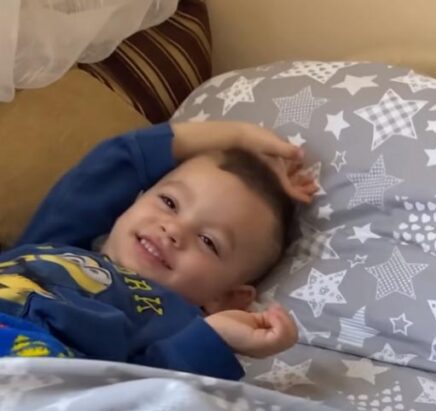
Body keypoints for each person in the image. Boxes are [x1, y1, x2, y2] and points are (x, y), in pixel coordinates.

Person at [0, 121, 319, 379]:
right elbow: (116, 161)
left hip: (37, 376)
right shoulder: (55, 243)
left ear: (225, 299)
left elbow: (147, 396)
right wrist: (238, 135)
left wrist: (215, 337)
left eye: (209, 241)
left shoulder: (174, 319)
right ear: (132, 202)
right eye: (169, 202)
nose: (174, 230)